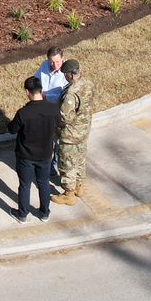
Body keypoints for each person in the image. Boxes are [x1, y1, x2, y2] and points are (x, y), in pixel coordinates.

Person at [8, 76, 61, 221]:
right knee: (43, 183)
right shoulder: (53, 109)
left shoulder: (23, 113)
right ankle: (44, 213)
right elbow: (59, 125)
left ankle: (23, 214)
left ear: (27, 92)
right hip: (45, 155)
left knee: (25, 185)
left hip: (25, 156)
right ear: (41, 90)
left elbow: (12, 129)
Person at [51, 60, 96, 206]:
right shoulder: (88, 84)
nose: (64, 77)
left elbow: (65, 117)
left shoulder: (71, 93)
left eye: (65, 75)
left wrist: (57, 127)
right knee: (80, 159)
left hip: (70, 135)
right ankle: (79, 186)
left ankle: (69, 194)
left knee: (67, 164)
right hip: (84, 130)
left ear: (71, 75)